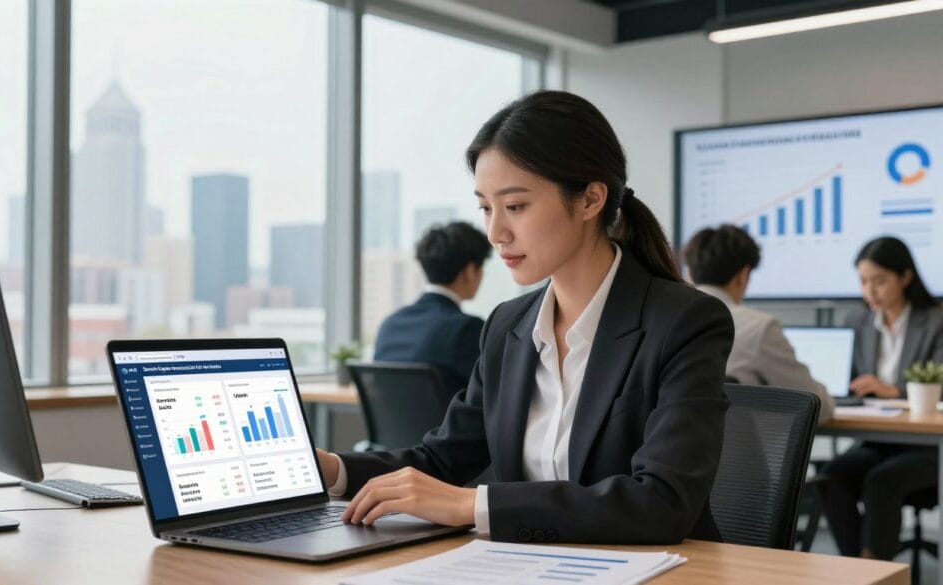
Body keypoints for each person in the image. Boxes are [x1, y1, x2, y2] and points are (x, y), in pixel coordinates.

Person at [314, 90, 734, 544]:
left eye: (515, 206)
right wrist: (332, 470)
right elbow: (440, 461)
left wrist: (469, 504)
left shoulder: (685, 322)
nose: (495, 232)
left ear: (591, 199)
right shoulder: (507, 327)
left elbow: (662, 502)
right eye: (485, 208)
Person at [819, 236, 943, 559]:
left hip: (928, 444)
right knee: (831, 476)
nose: (870, 292)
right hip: (877, 439)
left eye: (880, 281)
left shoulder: (935, 321)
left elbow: (939, 381)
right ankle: (856, 569)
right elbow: (848, 380)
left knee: (880, 482)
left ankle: (876, 572)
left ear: (905, 277)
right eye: (863, 282)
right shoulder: (856, 321)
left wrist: (895, 391)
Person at [682, 224, 835, 423]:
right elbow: (817, 406)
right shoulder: (759, 328)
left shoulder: (663, 320)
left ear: (690, 275)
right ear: (743, 275)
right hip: (736, 453)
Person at [373, 221, 492, 393]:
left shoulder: (390, 324)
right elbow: (496, 392)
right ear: (470, 271)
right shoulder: (467, 329)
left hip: (397, 421)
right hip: (451, 421)